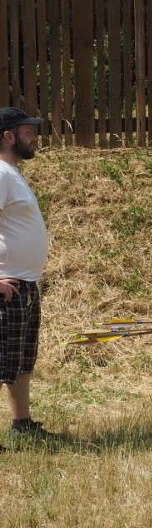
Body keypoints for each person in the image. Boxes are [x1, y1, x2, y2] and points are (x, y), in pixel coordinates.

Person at [0, 107, 51, 451]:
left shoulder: (12, 173)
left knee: (20, 360)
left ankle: (22, 423)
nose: (35, 137)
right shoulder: (0, 174)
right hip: (6, 285)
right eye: (28, 131)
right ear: (8, 136)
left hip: (24, 285)